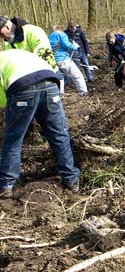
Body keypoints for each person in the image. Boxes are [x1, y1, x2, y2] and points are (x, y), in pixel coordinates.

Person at [0, 49, 80, 198]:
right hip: (51, 83)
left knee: (14, 138)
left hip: (22, 87)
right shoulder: (16, 53)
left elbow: (3, 99)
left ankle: (6, 185)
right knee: (59, 134)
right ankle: (71, 180)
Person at [48, 25, 88, 95]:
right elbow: (66, 45)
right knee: (77, 76)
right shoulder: (61, 34)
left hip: (53, 61)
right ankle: (83, 92)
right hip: (64, 59)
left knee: (60, 78)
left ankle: (60, 94)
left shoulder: (49, 36)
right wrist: (75, 46)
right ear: (60, 29)